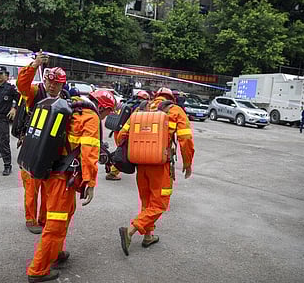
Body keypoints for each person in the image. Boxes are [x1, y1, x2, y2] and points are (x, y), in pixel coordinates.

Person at [26, 90, 116, 282]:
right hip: (62, 178)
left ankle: (55, 253)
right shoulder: (90, 117)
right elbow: (89, 153)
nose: (106, 116)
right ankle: (38, 270)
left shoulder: (71, 107)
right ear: (102, 107)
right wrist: (90, 183)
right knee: (56, 223)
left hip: (53, 173)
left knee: (66, 214)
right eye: (107, 112)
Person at [117, 87, 194, 256]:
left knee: (147, 202)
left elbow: (121, 135)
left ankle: (148, 236)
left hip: (141, 164)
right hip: (160, 167)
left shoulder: (141, 109)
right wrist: (187, 164)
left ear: (155, 96)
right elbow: (186, 140)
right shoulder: (175, 111)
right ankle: (131, 230)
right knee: (159, 204)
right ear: (171, 98)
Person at [16, 54, 65, 234]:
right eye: (49, 82)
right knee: (31, 187)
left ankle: (44, 219)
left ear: (62, 84)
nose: (52, 86)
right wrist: (35, 65)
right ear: (44, 80)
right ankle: (30, 219)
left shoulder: (65, 98)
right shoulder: (36, 92)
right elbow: (22, 85)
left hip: (51, 150)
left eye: (56, 83)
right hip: (31, 146)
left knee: (47, 189)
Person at [106, 90, 150, 181]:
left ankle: (110, 163)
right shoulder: (138, 109)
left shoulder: (129, 103)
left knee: (121, 152)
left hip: (117, 131)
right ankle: (112, 172)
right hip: (124, 134)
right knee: (123, 154)